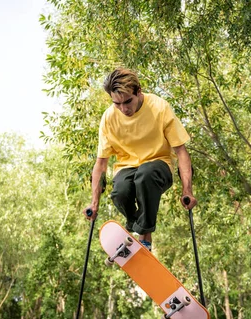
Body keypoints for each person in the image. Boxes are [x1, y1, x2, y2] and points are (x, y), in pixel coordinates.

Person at [83, 68, 197, 250]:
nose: (123, 108)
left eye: (128, 101)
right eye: (117, 103)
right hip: (126, 167)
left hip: (158, 166)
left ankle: (145, 236)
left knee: (145, 174)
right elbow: (101, 163)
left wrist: (187, 190)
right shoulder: (109, 118)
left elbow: (181, 152)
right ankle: (136, 230)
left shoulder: (159, 107)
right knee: (119, 192)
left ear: (138, 91)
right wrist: (93, 203)